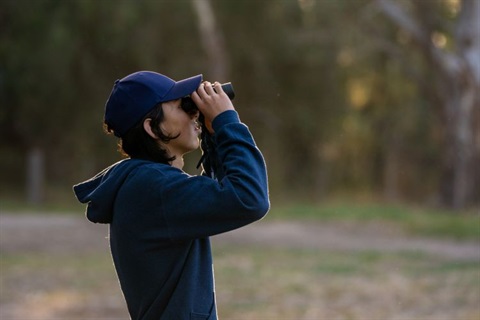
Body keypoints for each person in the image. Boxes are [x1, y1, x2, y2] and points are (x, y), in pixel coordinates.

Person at [73, 71, 270, 320]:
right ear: (153, 127)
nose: (194, 112)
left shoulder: (147, 184)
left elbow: (220, 195)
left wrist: (213, 136)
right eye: (183, 106)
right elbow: (249, 198)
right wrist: (227, 121)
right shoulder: (154, 188)